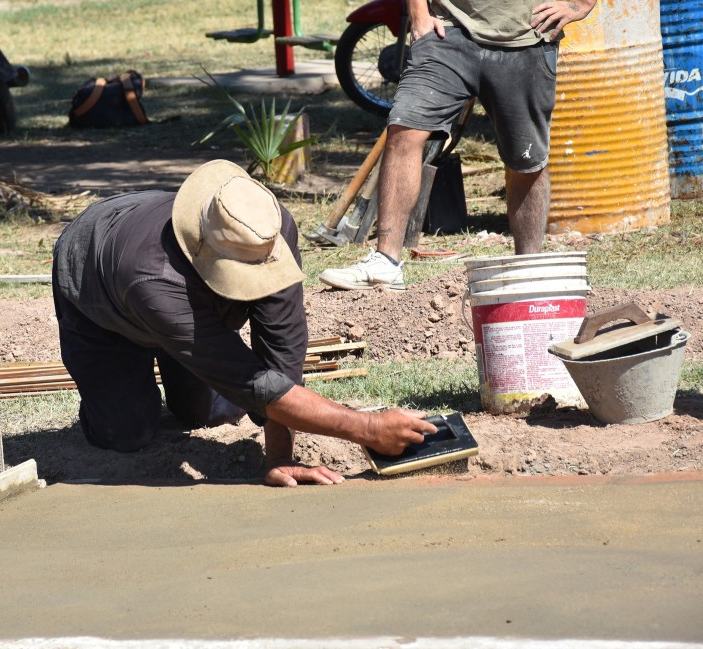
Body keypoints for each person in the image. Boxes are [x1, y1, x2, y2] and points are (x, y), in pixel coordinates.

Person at [52, 160, 437, 487]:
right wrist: (366, 430)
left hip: (175, 300)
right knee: (128, 432)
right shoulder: (151, 277)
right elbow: (251, 381)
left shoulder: (265, 229)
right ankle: (117, 387)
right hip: (97, 292)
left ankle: (179, 358)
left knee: (213, 413)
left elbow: (282, 351)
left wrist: (279, 457)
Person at [319, 0, 596, 291]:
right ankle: (385, 262)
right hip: (445, 32)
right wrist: (418, 14)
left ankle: (527, 269)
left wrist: (581, 5)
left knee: (525, 160)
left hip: (526, 37)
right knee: (404, 129)